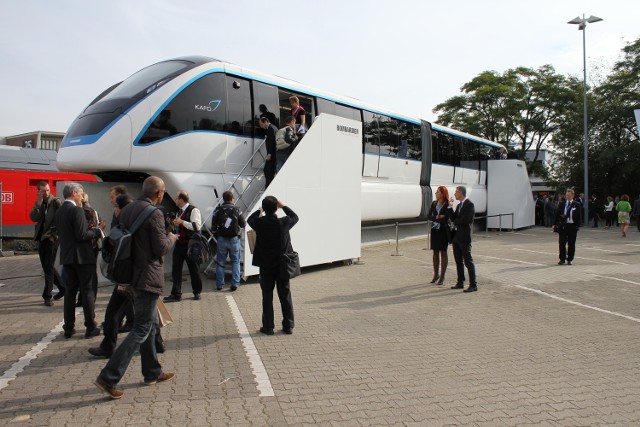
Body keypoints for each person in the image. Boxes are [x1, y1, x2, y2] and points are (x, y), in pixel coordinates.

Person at [95, 176, 178, 400]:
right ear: (159, 194)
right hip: (147, 278)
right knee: (141, 328)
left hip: (130, 275)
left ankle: (152, 372)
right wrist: (171, 237)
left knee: (150, 324)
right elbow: (160, 248)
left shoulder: (129, 209)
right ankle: (108, 377)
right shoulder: (156, 213)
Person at [89, 194, 166, 359]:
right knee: (146, 317)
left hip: (130, 276)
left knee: (133, 320)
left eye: (114, 204)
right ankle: (154, 355)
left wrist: (171, 239)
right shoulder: (133, 217)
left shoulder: (129, 219)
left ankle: (111, 366)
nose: (113, 209)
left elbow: (157, 247)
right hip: (134, 277)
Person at [54, 183, 103, 338]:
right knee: (87, 291)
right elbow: (82, 235)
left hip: (67, 257)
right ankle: (90, 327)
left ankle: (68, 327)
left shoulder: (60, 210)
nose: (82, 196)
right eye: (81, 193)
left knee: (70, 292)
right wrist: (96, 231)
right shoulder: (76, 210)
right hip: (82, 257)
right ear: (74, 193)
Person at [247, 196, 298, 335]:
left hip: (266, 265)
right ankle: (288, 326)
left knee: (267, 295)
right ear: (276, 208)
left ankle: (268, 327)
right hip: (282, 265)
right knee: (285, 294)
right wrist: (284, 206)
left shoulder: (260, 222)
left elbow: (249, 220)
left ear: (265, 208)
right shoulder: (284, 222)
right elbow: (295, 216)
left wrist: (259, 211)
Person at [29, 181, 65, 306]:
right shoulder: (40, 203)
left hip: (51, 239)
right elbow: (33, 217)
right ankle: (63, 288)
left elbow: (61, 221)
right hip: (42, 239)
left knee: (48, 268)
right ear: (38, 191)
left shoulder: (56, 202)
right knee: (47, 267)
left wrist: (54, 236)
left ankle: (47, 296)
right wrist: (38, 203)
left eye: (48, 190)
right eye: (43, 191)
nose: (47, 193)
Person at [165, 191, 203, 302]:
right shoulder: (179, 212)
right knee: (176, 270)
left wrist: (182, 222)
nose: (175, 200)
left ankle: (197, 292)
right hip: (179, 244)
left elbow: (196, 226)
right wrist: (173, 224)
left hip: (190, 245)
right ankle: (176, 294)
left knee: (194, 269)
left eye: (176, 198)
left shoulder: (193, 210)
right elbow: (178, 227)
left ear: (181, 199)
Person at [212, 191, 246, 291]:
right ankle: (235, 283)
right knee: (235, 261)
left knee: (220, 262)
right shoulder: (237, 209)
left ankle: (219, 285)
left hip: (221, 239)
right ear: (232, 199)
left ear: (224, 199)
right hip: (234, 239)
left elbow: (213, 226)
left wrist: (217, 234)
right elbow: (243, 224)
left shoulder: (218, 210)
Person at [449, 186, 477, 292]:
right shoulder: (459, 205)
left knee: (468, 261)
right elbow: (453, 218)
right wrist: (450, 206)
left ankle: (473, 284)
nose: (455, 194)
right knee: (458, 261)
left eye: (456, 192)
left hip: (465, 237)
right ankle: (460, 282)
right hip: (457, 237)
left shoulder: (469, 205)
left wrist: (456, 221)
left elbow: (466, 220)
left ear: (461, 193)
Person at [427, 186, 452, 286]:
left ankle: (442, 276)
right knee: (435, 253)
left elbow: (448, 217)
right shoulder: (434, 203)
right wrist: (438, 217)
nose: (436, 193)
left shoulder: (447, 204)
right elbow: (429, 216)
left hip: (443, 231)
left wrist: (438, 217)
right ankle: (435, 274)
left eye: (437, 192)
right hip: (435, 230)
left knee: (443, 253)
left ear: (442, 193)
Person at [554, 188, 581, 265]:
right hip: (563, 226)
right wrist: (554, 224)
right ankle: (562, 258)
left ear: (573, 195)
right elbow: (557, 214)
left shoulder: (577, 204)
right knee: (562, 243)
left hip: (572, 226)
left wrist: (577, 226)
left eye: (569, 195)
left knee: (571, 243)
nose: (567, 197)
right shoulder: (562, 204)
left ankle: (570, 259)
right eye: (566, 195)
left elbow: (579, 217)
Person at [259, 117, 277, 188]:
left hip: (272, 154)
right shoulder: (273, 128)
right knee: (267, 170)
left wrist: (269, 153)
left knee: (268, 170)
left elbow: (272, 142)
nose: (261, 126)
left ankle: (269, 186)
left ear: (266, 122)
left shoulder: (271, 129)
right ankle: (269, 185)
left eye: (261, 124)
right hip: (273, 153)